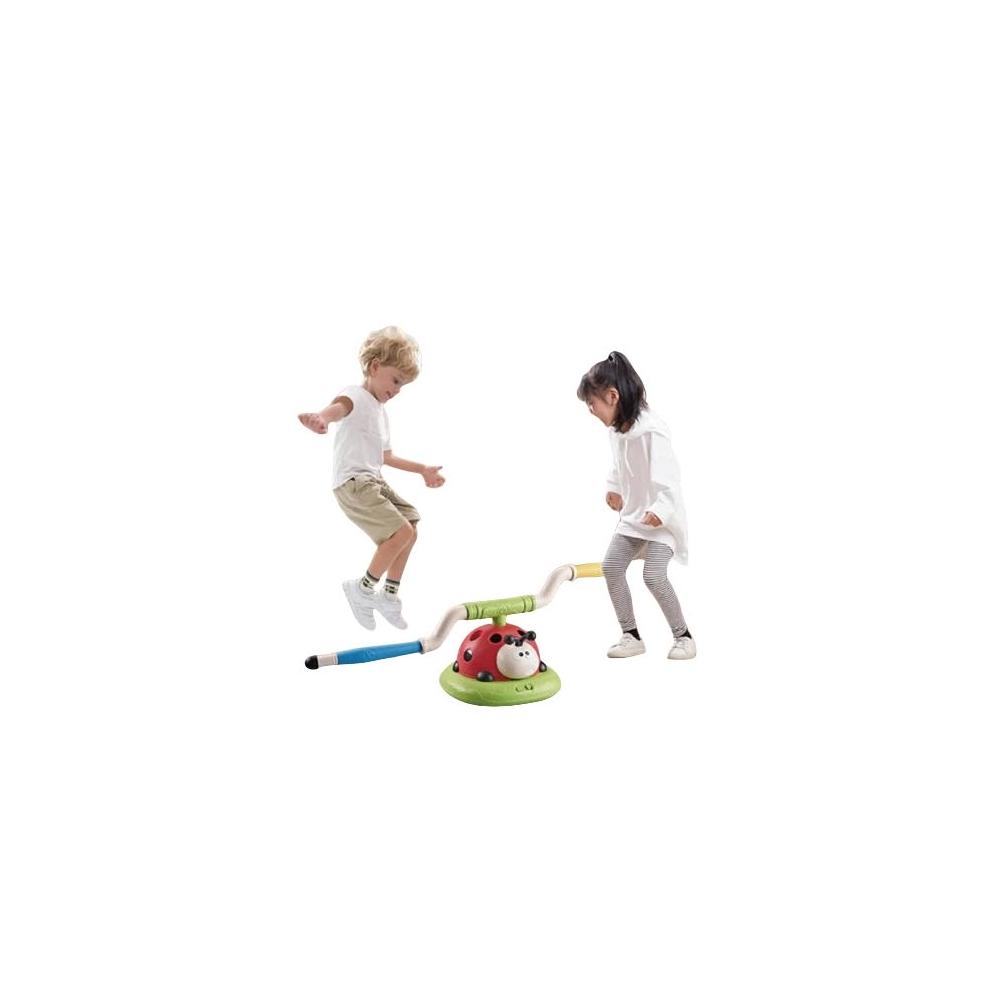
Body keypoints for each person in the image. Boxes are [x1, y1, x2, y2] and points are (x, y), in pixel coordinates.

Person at [298, 327, 445, 631]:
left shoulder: (380, 413)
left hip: (373, 480)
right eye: (396, 380)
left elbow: (386, 457)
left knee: (411, 526)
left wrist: (422, 469)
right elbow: (339, 408)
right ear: (375, 366)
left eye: (403, 385)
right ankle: (362, 589)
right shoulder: (357, 395)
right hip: (353, 483)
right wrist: (322, 418)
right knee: (401, 532)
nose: (398, 390)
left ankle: (388, 595)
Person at [577, 351, 696, 660]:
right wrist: (614, 488)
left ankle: (683, 637)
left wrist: (661, 510)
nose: (591, 410)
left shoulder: (652, 431)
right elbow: (618, 466)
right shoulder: (617, 432)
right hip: (634, 519)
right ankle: (631, 636)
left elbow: (670, 477)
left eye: (592, 403)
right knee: (611, 567)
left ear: (612, 396)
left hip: (661, 523)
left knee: (653, 576)